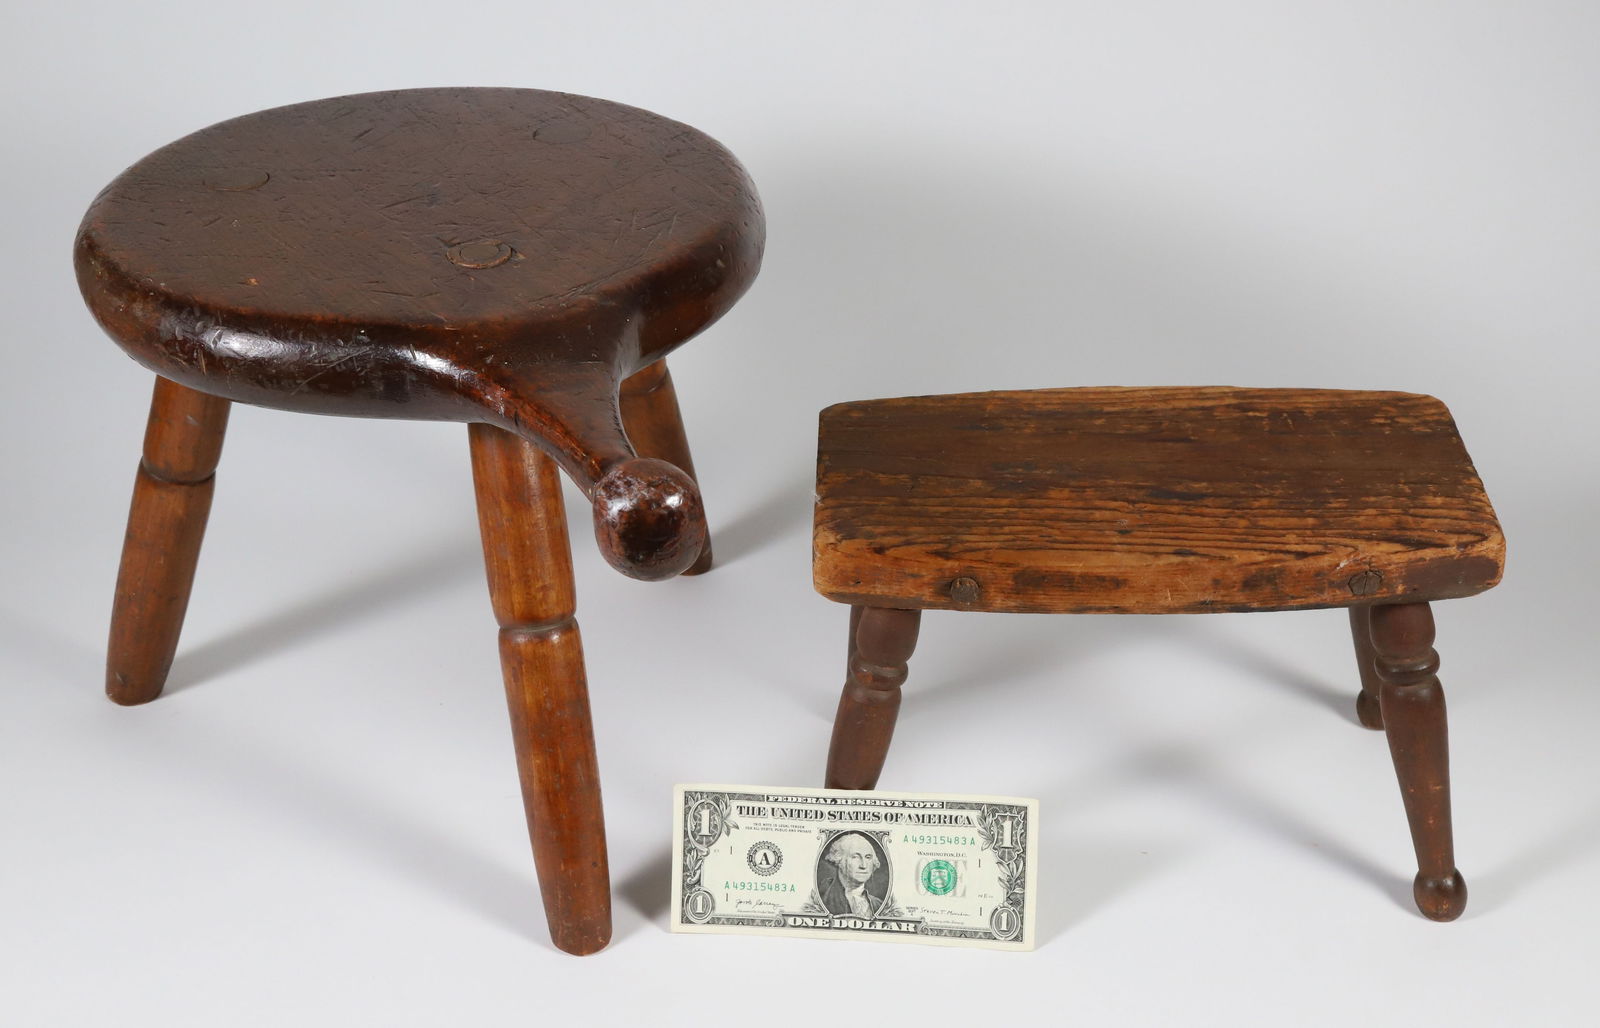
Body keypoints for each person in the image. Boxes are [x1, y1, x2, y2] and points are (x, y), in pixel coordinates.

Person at [818, 833, 885, 917]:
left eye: (868, 857)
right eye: (855, 857)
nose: (863, 865)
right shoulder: (822, 899)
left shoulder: (879, 905)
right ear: (838, 859)